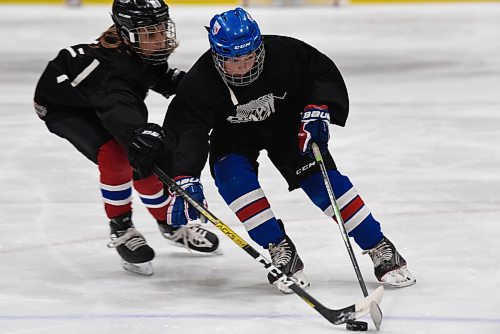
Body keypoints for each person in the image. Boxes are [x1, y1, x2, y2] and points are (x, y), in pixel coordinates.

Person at [155, 7, 416, 293]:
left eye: (249, 56)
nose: (242, 66)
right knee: (233, 179)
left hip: (288, 125)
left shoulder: (284, 53)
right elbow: (187, 129)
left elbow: (320, 73)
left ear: (259, 48)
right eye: (233, 60)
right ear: (217, 56)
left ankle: (379, 245)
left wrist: (320, 107)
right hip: (233, 135)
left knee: (322, 181)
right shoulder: (200, 81)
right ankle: (279, 247)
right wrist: (184, 175)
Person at [33, 0, 220, 277]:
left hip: (96, 98)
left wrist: (202, 87)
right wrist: (137, 134)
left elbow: (158, 77)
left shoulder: (135, 50)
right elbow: (117, 108)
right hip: (65, 108)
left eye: (162, 31)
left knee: (144, 160)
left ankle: (167, 224)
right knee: (119, 155)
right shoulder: (112, 75)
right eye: (151, 35)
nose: (160, 41)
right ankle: (121, 227)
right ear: (127, 32)